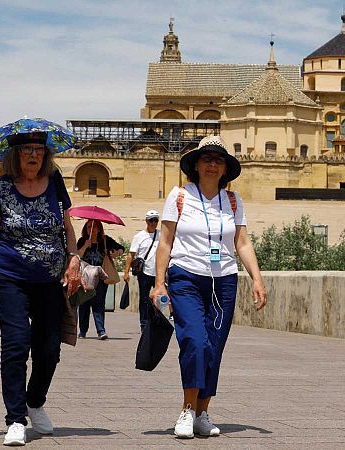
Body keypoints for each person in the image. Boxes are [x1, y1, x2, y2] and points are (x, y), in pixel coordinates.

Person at [0, 131, 81, 446]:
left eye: (39, 150)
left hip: (49, 282)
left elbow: (68, 229)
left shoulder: (55, 184)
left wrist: (73, 260)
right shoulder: (1, 188)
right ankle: (15, 418)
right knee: (15, 347)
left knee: (49, 351)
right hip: (9, 278)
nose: (34, 155)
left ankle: (35, 401)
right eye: (27, 150)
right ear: (14, 155)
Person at [152, 135, 267, 439]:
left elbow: (241, 241)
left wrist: (256, 278)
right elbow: (165, 241)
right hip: (185, 276)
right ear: (197, 165)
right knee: (195, 340)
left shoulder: (232, 200)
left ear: (225, 167)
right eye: (207, 159)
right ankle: (187, 410)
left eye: (219, 160)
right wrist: (159, 283)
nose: (213, 164)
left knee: (214, 347)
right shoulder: (179, 196)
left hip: (224, 280)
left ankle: (203, 411)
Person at [77, 219, 124, 340]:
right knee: (83, 304)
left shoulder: (105, 240)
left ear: (99, 228)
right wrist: (84, 247)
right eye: (89, 227)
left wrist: (116, 253)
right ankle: (82, 331)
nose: (91, 230)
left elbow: (121, 249)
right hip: (85, 277)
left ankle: (101, 331)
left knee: (99, 304)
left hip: (100, 278)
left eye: (94, 227)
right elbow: (76, 256)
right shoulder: (82, 241)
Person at [124, 210, 160, 330]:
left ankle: (156, 320)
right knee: (144, 298)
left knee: (158, 298)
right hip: (144, 273)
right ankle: (144, 323)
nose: (153, 223)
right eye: (151, 220)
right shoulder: (139, 237)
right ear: (146, 221)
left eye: (156, 220)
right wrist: (126, 272)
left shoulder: (161, 235)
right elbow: (131, 255)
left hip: (158, 273)